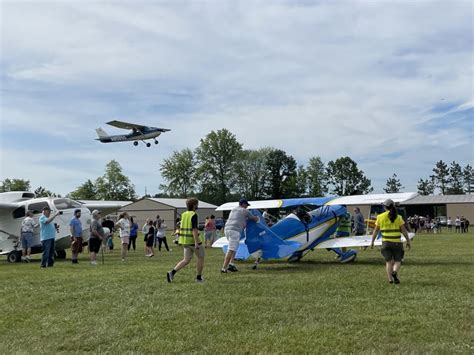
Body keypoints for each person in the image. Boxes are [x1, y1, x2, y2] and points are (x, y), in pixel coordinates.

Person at [370, 199, 411, 284]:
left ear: (384, 207)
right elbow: (404, 231)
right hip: (396, 242)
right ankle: (395, 272)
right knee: (398, 260)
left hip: (385, 242)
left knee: (388, 261)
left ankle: (390, 279)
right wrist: (408, 241)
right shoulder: (399, 217)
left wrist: (372, 241)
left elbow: (375, 231)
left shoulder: (380, 217)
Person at [167, 198, 204, 283]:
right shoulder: (194, 215)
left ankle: (172, 273)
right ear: (194, 205)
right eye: (197, 204)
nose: (198, 206)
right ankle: (198, 278)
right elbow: (194, 229)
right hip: (193, 241)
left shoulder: (183, 214)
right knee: (200, 258)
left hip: (185, 241)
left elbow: (181, 227)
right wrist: (196, 242)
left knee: (186, 260)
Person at [221, 198, 259, 273]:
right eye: (246, 205)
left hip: (227, 229)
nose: (247, 207)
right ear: (243, 204)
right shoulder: (244, 210)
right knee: (231, 249)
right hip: (235, 231)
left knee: (234, 248)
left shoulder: (233, 209)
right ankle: (224, 268)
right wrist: (258, 218)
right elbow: (253, 219)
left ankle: (231, 264)